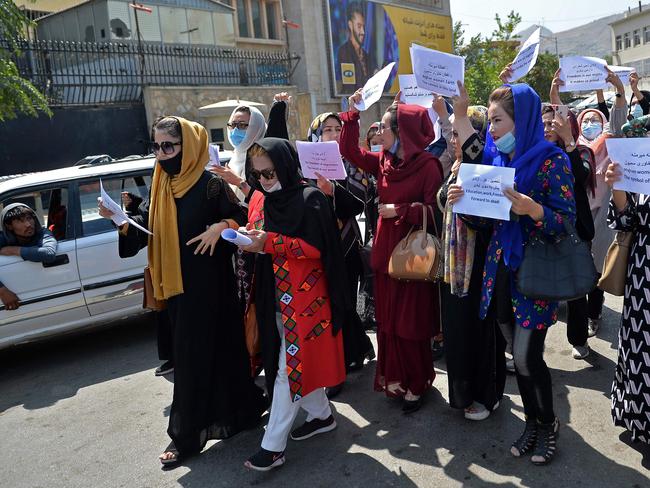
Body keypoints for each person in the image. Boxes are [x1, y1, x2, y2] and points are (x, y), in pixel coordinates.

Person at [99, 116, 267, 468]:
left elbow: (242, 218)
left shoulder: (208, 185)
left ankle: (194, 433)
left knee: (223, 350)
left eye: (169, 146)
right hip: (179, 291)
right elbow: (141, 234)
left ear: (187, 147)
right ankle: (212, 424)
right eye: (157, 147)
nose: (162, 154)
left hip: (213, 286)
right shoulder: (159, 185)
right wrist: (118, 219)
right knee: (191, 357)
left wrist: (220, 227)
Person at [448, 83, 576, 465]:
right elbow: (484, 220)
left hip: (535, 271)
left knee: (526, 356)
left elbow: (565, 222)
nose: (493, 130)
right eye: (489, 122)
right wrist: (462, 203)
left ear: (523, 121)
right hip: (500, 270)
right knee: (514, 350)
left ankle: (548, 423)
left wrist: (533, 210)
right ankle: (533, 422)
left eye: (499, 120)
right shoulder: (497, 161)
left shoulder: (553, 160)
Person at [241, 138, 348, 471]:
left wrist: (269, 242)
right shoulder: (269, 201)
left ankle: (272, 448)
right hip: (276, 298)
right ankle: (322, 415)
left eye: (269, 173)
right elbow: (266, 237)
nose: (264, 180)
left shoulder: (310, 198)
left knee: (289, 371)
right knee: (293, 365)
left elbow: (318, 248)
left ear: (285, 166)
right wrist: (249, 237)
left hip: (306, 302)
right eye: (257, 175)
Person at [340, 92, 443, 414]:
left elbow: (436, 213)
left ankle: (418, 382)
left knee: (411, 324)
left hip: (414, 258)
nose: (380, 132)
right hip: (386, 256)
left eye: (385, 127)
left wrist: (400, 210)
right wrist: (352, 115)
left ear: (403, 133)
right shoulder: (384, 161)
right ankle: (396, 378)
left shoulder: (428, 166)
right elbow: (349, 152)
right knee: (388, 323)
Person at [437, 89, 506, 421]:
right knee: (457, 332)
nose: (454, 140)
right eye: (451, 133)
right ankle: (463, 393)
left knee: (479, 333)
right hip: (453, 268)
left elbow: (484, 219)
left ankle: (486, 394)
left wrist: (461, 114)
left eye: (460, 133)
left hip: (478, 266)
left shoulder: (486, 166)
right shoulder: (454, 168)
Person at [551, 68, 628, 338]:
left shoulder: (610, 143)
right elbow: (560, 120)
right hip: (579, 219)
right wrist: (554, 93)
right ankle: (580, 327)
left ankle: (595, 313)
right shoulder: (574, 148)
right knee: (578, 273)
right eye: (587, 121)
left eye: (596, 120)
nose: (590, 125)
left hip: (602, 221)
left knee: (596, 273)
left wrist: (618, 89)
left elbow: (618, 119)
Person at [307, 113, 375, 387]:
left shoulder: (351, 164)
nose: (333, 134)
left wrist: (332, 190)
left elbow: (359, 203)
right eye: (327, 129)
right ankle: (357, 348)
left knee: (342, 301)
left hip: (345, 245)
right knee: (328, 304)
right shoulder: (306, 165)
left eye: (338, 129)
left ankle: (346, 359)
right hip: (315, 246)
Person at [209, 94, 290, 323]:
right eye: (233, 125)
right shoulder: (232, 159)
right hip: (238, 245)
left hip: (264, 244)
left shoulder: (265, 156)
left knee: (267, 307)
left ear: (255, 126)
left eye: (243, 125)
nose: (236, 130)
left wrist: (239, 183)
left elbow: (272, 199)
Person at [605, 123, 650, 445]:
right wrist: (617, 187)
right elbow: (627, 221)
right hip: (643, 274)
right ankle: (639, 417)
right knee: (640, 345)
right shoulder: (642, 166)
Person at [541, 105, 597, 359]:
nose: (548, 128)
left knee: (575, 290)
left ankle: (578, 339)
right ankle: (532, 347)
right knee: (539, 287)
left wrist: (569, 142)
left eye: (553, 124)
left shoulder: (579, 151)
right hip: (543, 229)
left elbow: (581, 176)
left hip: (574, 230)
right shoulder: (535, 153)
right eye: (543, 123)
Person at [0, 203, 58, 310]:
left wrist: (13, 250)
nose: (28, 224)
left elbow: (48, 253)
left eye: (29, 218)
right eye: (19, 221)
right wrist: (2, 291)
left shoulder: (43, 233)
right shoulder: (3, 238)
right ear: (9, 226)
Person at [337, 1, 375, 92]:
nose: (363, 32)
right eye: (359, 26)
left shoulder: (366, 55)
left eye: (363, 27)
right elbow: (349, 86)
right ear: (350, 25)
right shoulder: (344, 51)